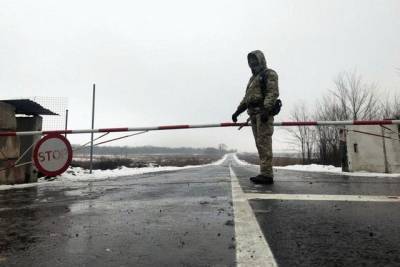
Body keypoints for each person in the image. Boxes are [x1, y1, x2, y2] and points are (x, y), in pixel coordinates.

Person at [232, 50, 279, 184]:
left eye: (255, 61)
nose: (253, 64)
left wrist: (266, 109)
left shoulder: (269, 74)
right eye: (250, 62)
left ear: (261, 60)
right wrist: (237, 112)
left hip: (263, 114)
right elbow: (247, 99)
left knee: (264, 143)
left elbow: (272, 92)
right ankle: (264, 172)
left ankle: (267, 175)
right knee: (260, 144)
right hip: (253, 114)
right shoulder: (252, 80)